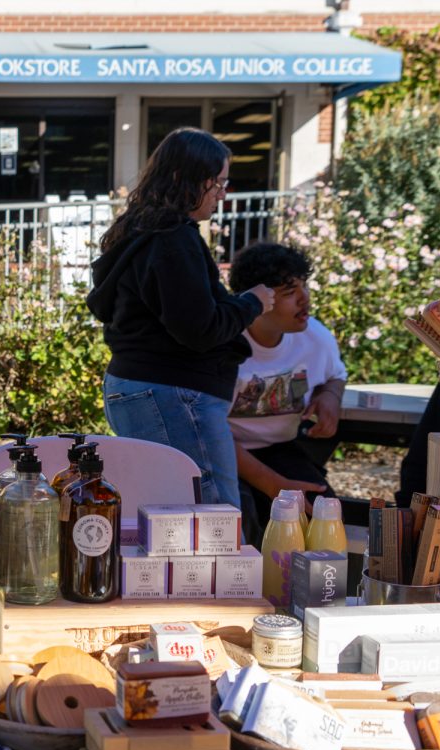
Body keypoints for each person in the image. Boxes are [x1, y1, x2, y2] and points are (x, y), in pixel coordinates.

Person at [87, 128, 275, 507]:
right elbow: (199, 329)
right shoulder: (174, 239)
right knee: (212, 519)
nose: (223, 194)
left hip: (144, 387)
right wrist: (252, 302)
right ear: (184, 179)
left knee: (165, 519)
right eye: (217, 183)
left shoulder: (140, 231)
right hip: (174, 393)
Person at [226, 243, 347, 547]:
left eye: (304, 285)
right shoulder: (224, 344)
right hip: (224, 452)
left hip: (281, 448)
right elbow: (207, 428)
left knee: (321, 511)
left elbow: (336, 374)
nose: (305, 298)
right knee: (242, 521)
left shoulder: (315, 337)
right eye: (290, 292)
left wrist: (330, 396)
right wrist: (272, 485)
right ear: (255, 300)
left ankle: (315, 590)